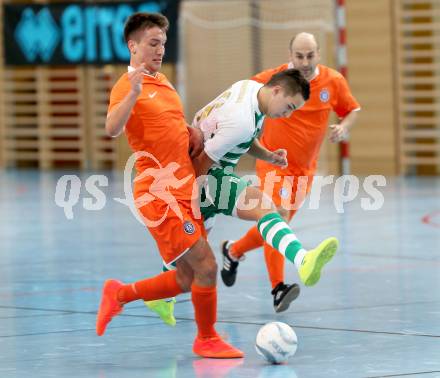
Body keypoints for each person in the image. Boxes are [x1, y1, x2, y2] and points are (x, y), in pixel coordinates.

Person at [95, 12, 244, 359]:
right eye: (152, 43)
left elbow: (170, 124)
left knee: (185, 279)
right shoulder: (126, 85)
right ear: (133, 46)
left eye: (163, 43)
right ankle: (206, 339)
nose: (160, 50)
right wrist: (132, 94)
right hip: (158, 193)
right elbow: (112, 128)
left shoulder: (163, 82)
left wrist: (190, 134)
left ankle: (118, 294)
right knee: (206, 266)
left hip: (184, 188)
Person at [146, 68, 340, 322]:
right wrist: (186, 202)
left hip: (205, 172)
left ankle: (160, 297)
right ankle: (303, 259)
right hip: (205, 176)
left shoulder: (249, 90)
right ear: (277, 90)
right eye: (290, 107)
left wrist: (269, 155)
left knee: (188, 253)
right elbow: (203, 163)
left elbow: (244, 139)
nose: (288, 115)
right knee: (268, 208)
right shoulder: (242, 119)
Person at [220, 32, 361, 312]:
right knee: (276, 217)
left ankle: (232, 251)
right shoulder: (275, 80)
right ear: (290, 56)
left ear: (318, 54)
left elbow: (352, 109)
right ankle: (278, 288)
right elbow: (244, 91)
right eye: (299, 56)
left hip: (305, 172)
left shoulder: (333, 82)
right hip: (275, 164)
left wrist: (344, 127)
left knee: (275, 227)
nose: (305, 62)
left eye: (310, 55)